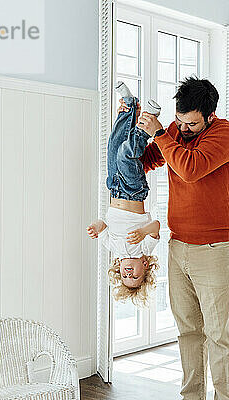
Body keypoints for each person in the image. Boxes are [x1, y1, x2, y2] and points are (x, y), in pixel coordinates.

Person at [130, 76, 229, 400]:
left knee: (219, 335)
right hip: (178, 246)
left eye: (191, 123)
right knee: (189, 333)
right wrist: (133, 136)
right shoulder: (177, 134)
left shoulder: (225, 134)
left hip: (214, 250)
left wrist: (162, 134)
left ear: (209, 116)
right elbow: (151, 159)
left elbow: (190, 168)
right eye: (179, 121)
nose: (184, 128)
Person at [87, 82, 162, 306]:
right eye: (135, 276)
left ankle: (131, 107)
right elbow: (157, 226)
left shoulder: (113, 248)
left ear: (118, 270)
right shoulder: (143, 249)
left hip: (114, 189)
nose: (128, 273)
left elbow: (103, 226)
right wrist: (142, 232)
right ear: (145, 267)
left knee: (114, 146)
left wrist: (96, 226)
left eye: (125, 276)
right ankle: (145, 124)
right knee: (125, 156)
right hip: (133, 191)